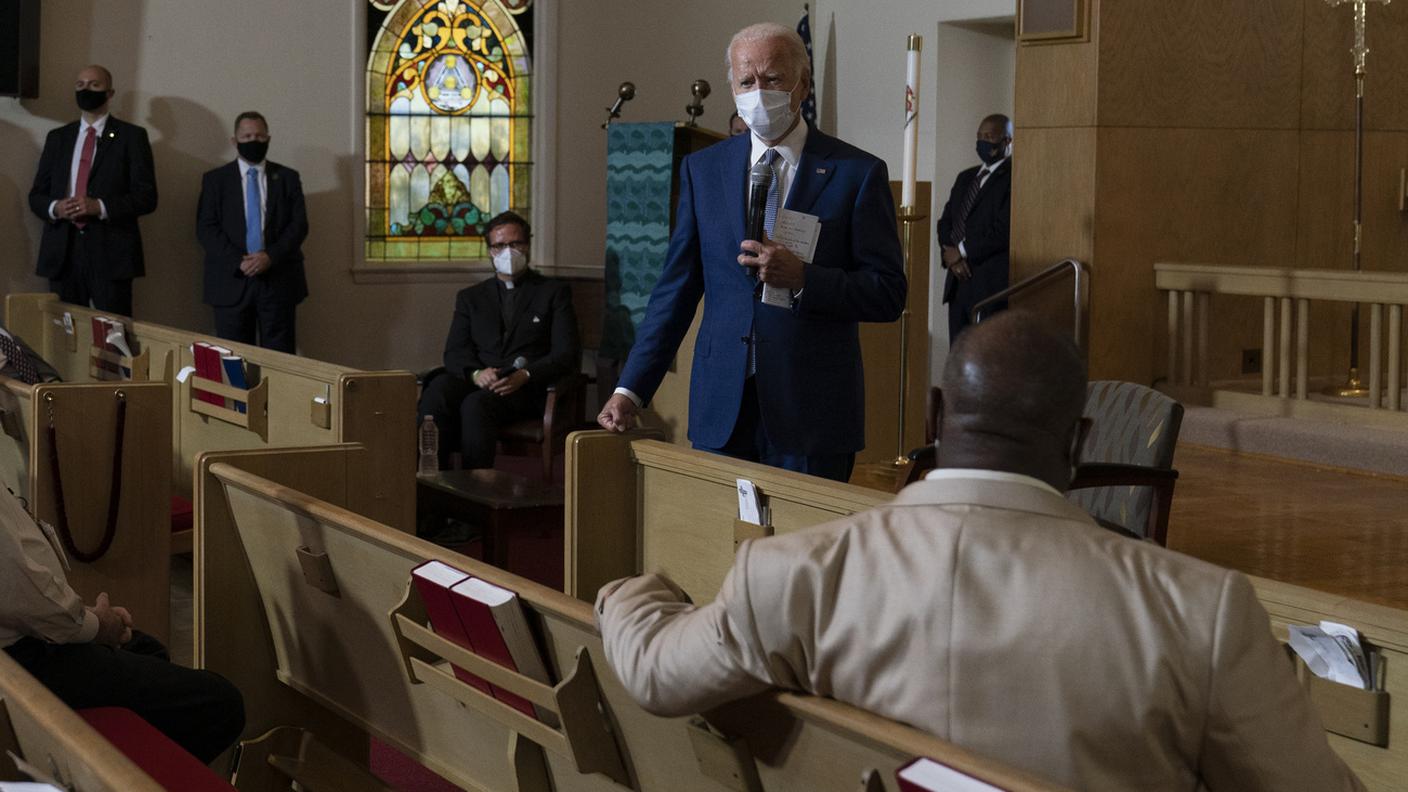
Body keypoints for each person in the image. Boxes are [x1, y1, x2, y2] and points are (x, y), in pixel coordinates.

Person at [596, 312, 1364, 792]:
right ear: (1078, 445)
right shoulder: (1200, 611)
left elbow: (657, 673)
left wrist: (634, 592)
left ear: (938, 416)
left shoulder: (793, 575)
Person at [597, 22, 905, 483]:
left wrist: (805, 278)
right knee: (717, 548)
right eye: (747, 81)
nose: (758, 92)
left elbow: (887, 293)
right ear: (732, 87)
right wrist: (631, 388)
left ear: (801, 84)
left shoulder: (855, 173)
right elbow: (675, 292)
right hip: (723, 406)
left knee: (806, 551)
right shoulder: (704, 170)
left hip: (812, 413)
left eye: (773, 79)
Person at [0, 487, 244, 764]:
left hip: (25, 630)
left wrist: (83, 617)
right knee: (218, 704)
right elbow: (17, 590)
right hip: (20, 658)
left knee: (144, 649)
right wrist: (96, 625)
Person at [418, 211, 580, 470]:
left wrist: (525, 375)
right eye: (499, 245)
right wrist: (475, 374)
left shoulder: (553, 292)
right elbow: (454, 352)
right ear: (490, 251)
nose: (507, 251)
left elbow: (566, 353)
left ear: (527, 245)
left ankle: (474, 492)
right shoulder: (470, 298)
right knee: (437, 391)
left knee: (476, 404)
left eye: (514, 244)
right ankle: (432, 482)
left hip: (526, 388)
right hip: (482, 378)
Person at [27, 65, 157, 317]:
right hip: (63, 254)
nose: (86, 90)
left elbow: (147, 197)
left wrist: (100, 206)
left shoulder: (132, 137)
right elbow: (37, 195)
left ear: (110, 93)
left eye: (94, 85)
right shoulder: (58, 137)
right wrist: (56, 208)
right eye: (80, 85)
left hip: (112, 254)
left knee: (114, 334)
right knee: (65, 335)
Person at [196, 111, 309, 353]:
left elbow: (298, 225)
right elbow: (206, 227)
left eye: (259, 135)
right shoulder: (215, 180)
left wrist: (270, 256)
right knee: (233, 357)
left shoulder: (288, 177)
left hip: (278, 280)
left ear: (268, 138)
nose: (253, 141)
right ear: (234, 141)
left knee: (280, 357)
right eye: (246, 136)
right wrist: (239, 261)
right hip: (231, 281)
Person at [937, 114, 1011, 340]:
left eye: (989, 136)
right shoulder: (965, 177)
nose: (982, 141)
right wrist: (950, 254)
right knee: (958, 356)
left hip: (989, 283)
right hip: (958, 284)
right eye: (979, 136)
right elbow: (946, 222)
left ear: (1006, 140)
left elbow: (1002, 230)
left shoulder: (1014, 177)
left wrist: (961, 252)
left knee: (986, 357)